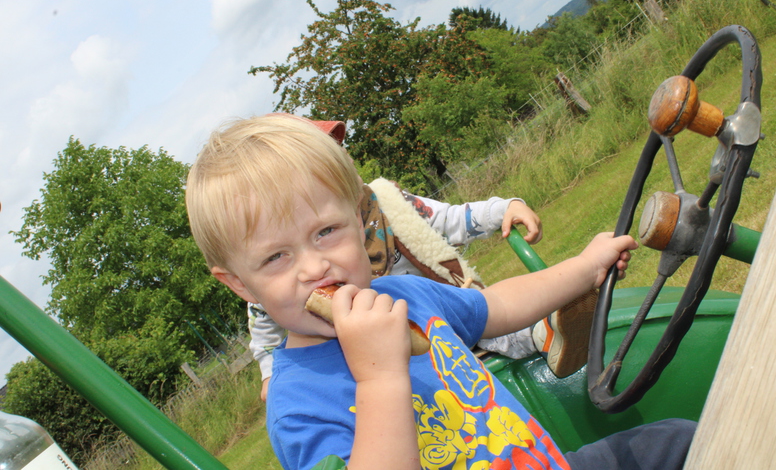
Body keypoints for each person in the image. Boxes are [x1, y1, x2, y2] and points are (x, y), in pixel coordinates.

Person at [185, 114, 696, 470]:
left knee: (678, 442)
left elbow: (496, 305)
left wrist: (583, 269)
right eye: (276, 257)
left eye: (326, 232)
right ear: (239, 284)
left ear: (359, 222)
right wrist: (380, 378)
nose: (315, 267)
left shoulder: (408, 294)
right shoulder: (298, 406)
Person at [247, 118, 553, 401]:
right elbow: (262, 315)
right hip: (371, 359)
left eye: (339, 151)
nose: (342, 160)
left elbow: (451, 219)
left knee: (490, 319)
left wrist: (503, 209)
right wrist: (269, 372)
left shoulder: (387, 202)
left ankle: (547, 333)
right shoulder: (292, 266)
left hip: (442, 317)